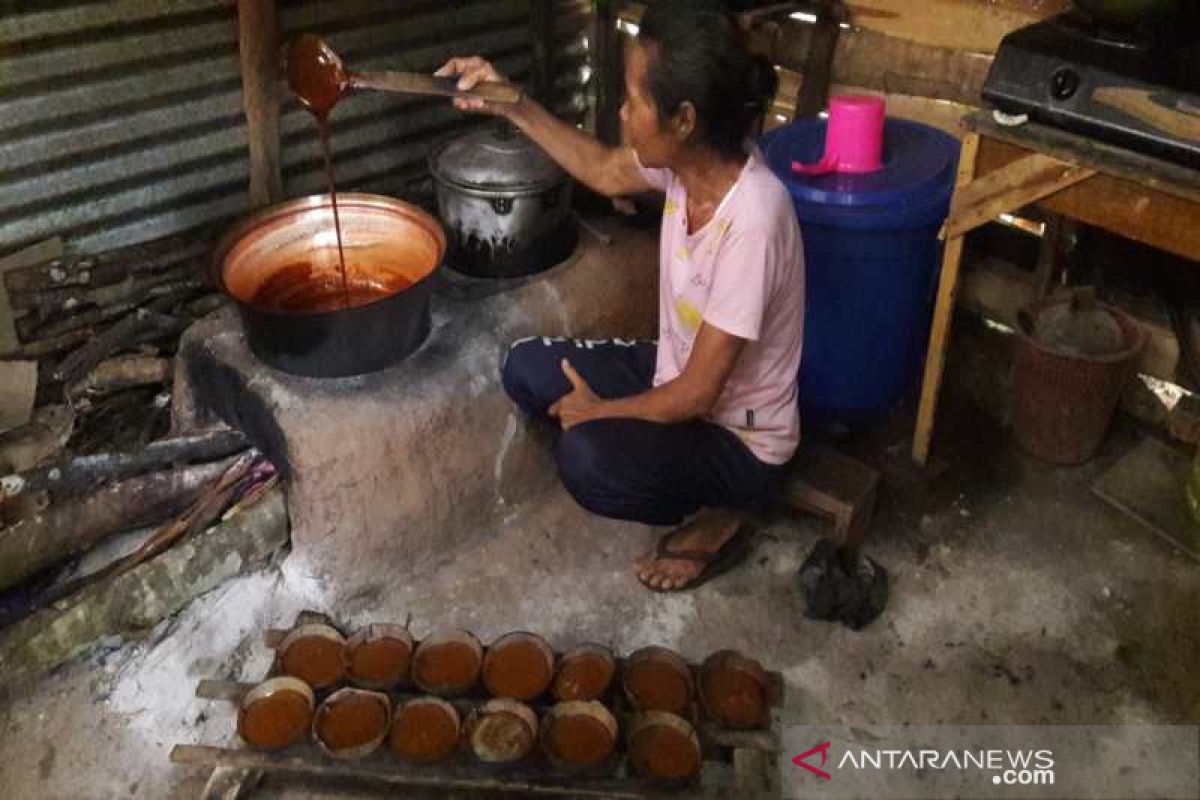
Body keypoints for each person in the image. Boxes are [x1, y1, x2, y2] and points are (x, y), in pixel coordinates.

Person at [436, 2, 804, 592]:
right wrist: (513, 101)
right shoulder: (688, 163)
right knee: (526, 366)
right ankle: (633, 437)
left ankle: (725, 517)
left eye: (633, 101)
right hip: (674, 380)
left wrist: (597, 411)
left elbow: (698, 394)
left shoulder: (754, 220)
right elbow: (605, 170)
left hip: (739, 438)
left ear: (683, 119)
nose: (621, 113)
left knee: (589, 460)